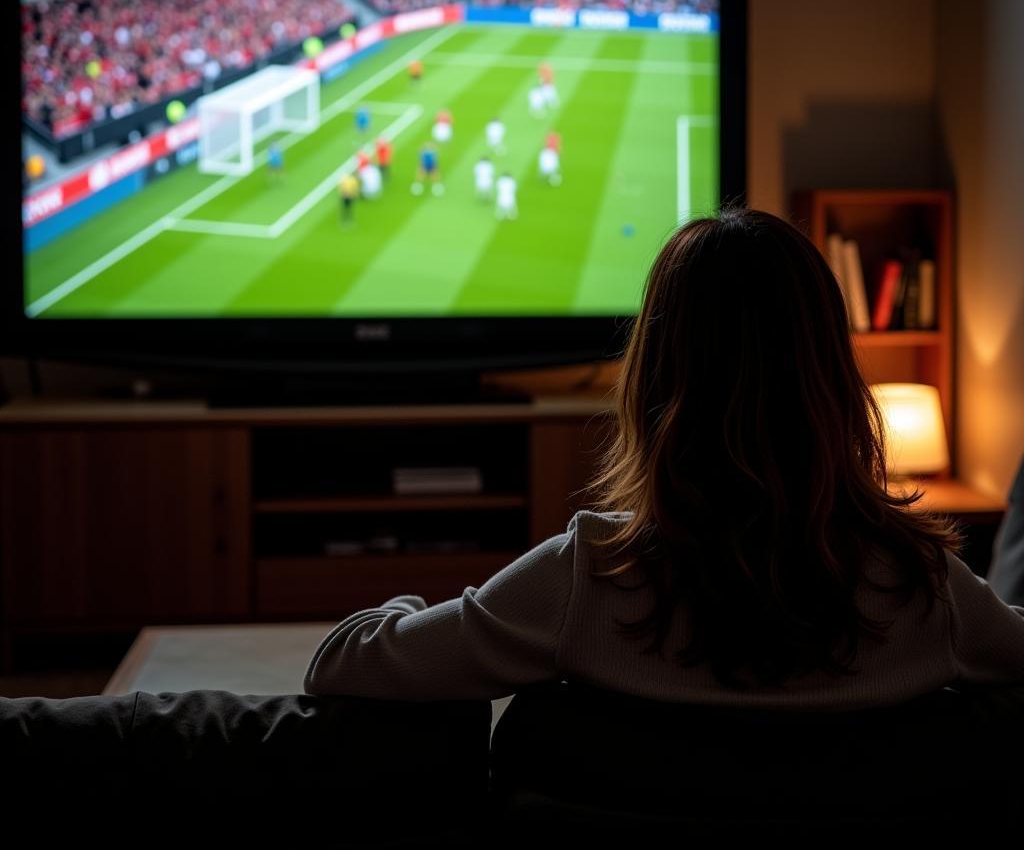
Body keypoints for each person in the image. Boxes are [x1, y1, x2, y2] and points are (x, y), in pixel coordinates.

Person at [303, 208, 1024, 705]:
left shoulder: (587, 574)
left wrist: (404, 601)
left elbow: (342, 664)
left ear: (653, 380)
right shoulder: (928, 589)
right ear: (833, 381)